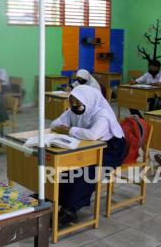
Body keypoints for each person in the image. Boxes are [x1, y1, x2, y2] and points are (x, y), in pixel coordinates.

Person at [50, 85, 126, 226]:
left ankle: (70, 210)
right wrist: (65, 128)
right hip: (89, 145)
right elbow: (55, 123)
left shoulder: (102, 113)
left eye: (77, 103)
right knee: (68, 165)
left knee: (87, 170)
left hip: (111, 149)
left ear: (88, 100)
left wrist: (69, 130)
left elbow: (93, 134)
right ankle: (55, 197)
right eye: (71, 103)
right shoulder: (73, 110)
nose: (74, 106)